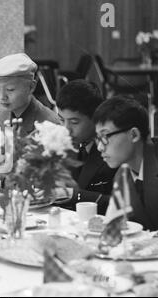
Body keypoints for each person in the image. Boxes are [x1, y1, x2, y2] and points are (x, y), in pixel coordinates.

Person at [93, 96, 158, 240]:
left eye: (105, 137)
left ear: (133, 134)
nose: (99, 147)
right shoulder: (121, 177)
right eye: (97, 138)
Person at [55, 80, 117, 214]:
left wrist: (75, 195)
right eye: (61, 120)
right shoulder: (63, 143)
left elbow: (124, 205)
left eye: (74, 122)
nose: (66, 129)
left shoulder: (114, 147)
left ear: (95, 117)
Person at [0, 53, 60, 135]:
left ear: (31, 87)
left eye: (10, 89)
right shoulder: (2, 117)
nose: (2, 97)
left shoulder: (49, 126)